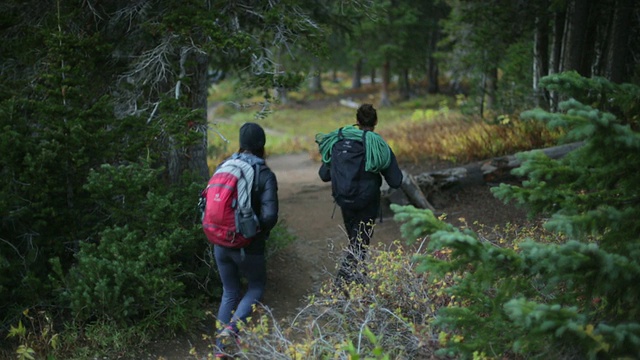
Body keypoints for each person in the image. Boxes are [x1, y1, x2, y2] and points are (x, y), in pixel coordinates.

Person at [316, 104, 403, 288]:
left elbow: (324, 175)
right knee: (359, 243)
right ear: (376, 122)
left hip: (343, 199)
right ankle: (341, 283)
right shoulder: (377, 144)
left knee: (356, 241)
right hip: (367, 201)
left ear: (356, 120)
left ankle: (358, 281)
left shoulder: (338, 141)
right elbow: (396, 180)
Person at [212, 122, 278, 358]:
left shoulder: (224, 166)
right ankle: (232, 329)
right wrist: (255, 231)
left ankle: (220, 350)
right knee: (256, 287)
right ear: (262, 145)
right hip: (248, 245)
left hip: (219, 242)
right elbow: (270, 215)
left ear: (241, 143)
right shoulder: (264, 173)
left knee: (229, 292)